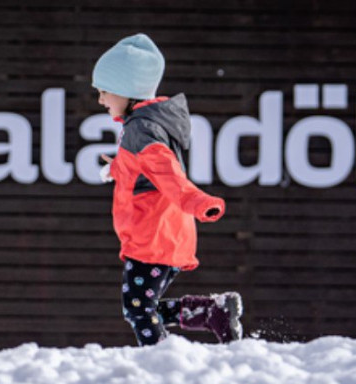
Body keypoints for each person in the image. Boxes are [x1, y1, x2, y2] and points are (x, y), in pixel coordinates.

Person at [92, 33, 243, 346]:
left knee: (137, 309)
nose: (100, 100)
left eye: (104, 91)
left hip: (155, 236)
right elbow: (137, 167)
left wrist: (200, 202)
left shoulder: (142, 131)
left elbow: (169, 176)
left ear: (126, 90)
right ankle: (211, 312)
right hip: (157, 234)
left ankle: (159, 357)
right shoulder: (141, 126)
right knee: (140, 307)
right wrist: (115, 168)